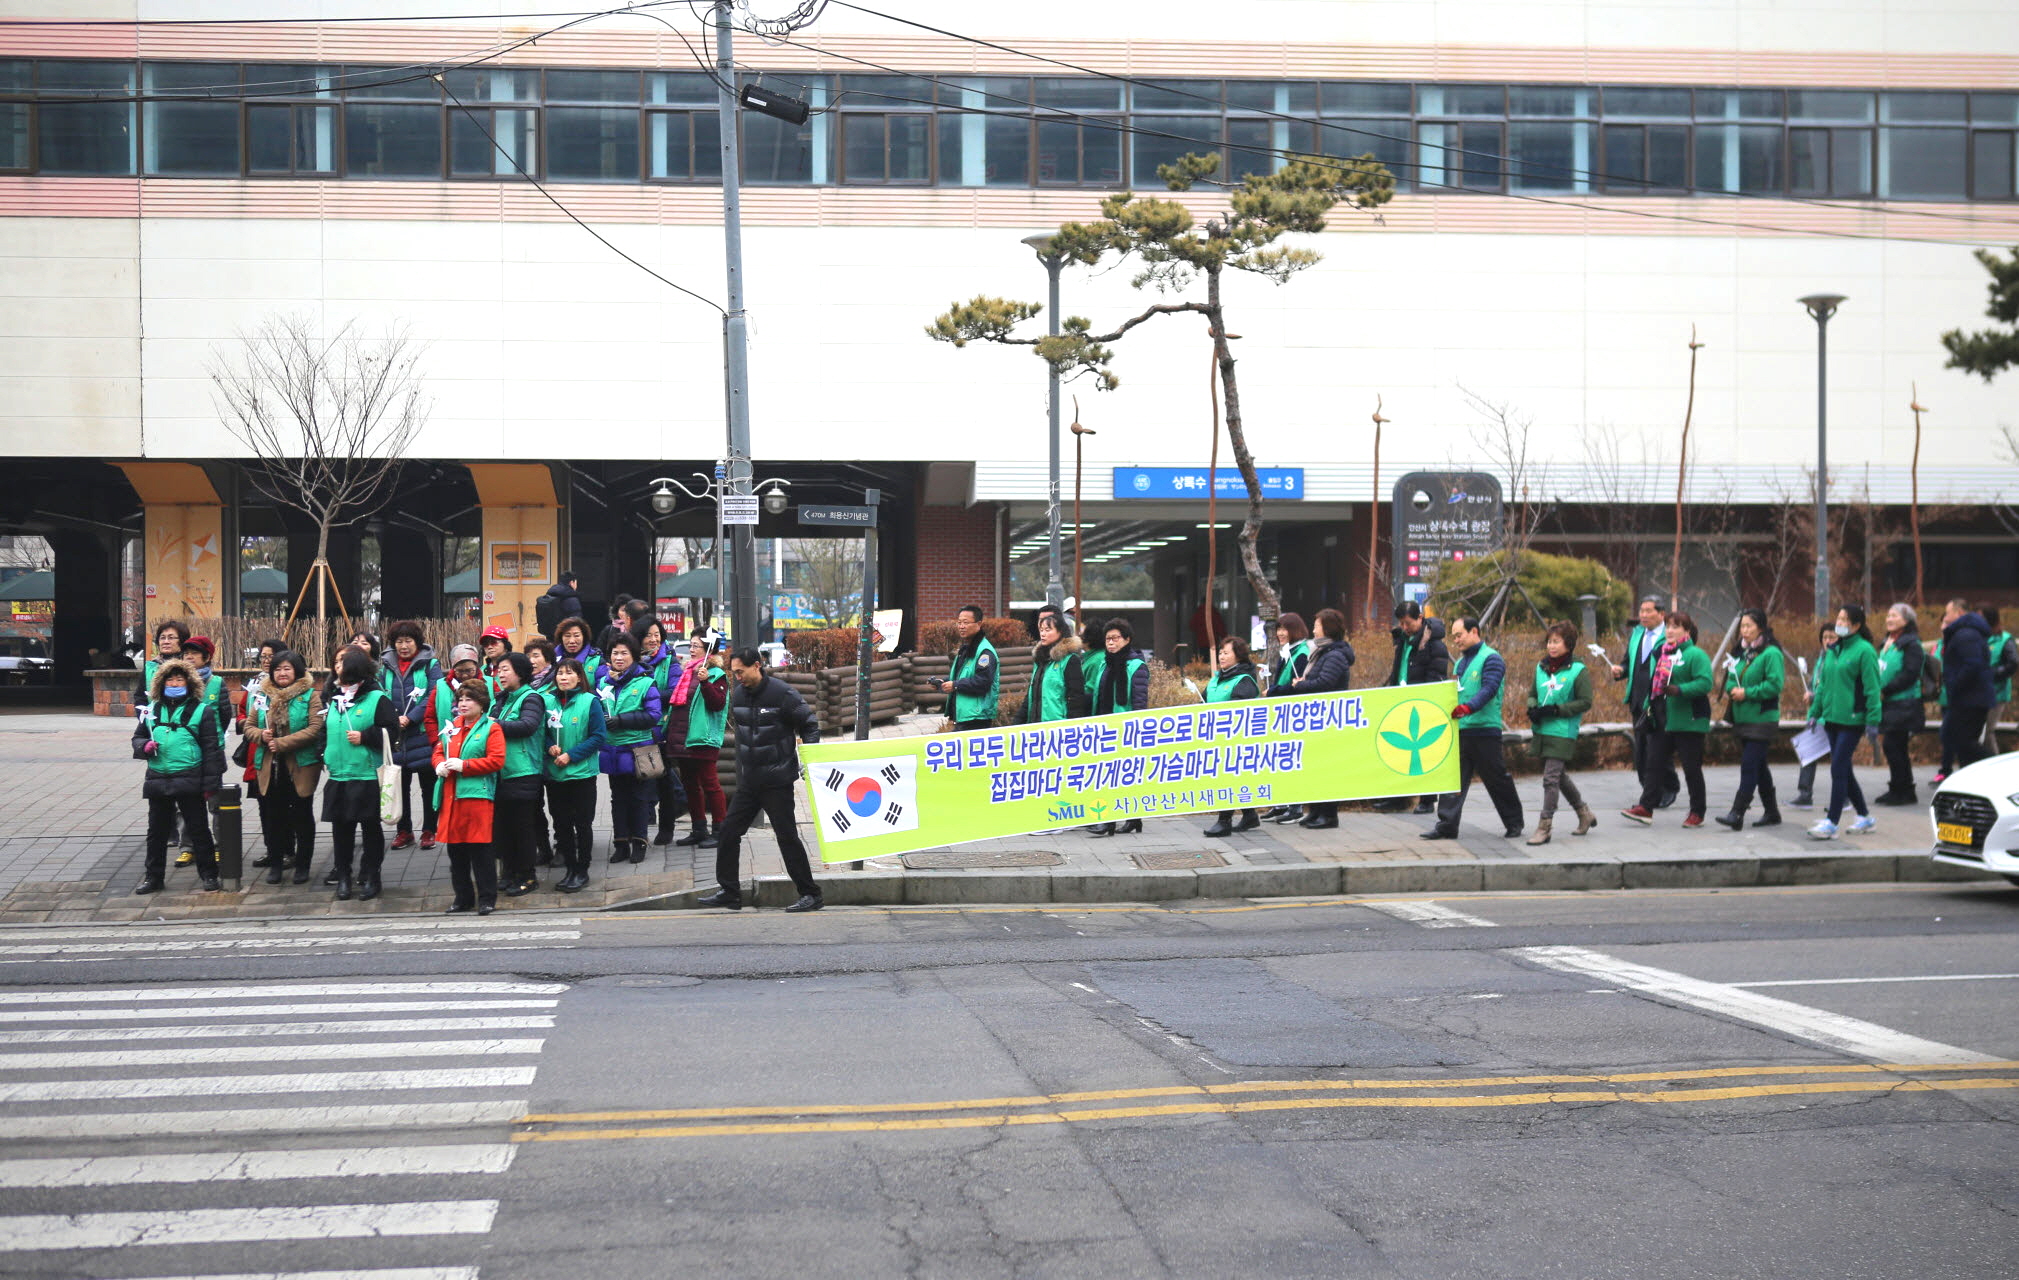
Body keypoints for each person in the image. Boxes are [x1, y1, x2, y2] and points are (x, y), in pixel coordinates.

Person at [699, 649, 823, 913]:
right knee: (729, 832)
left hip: (777, 780)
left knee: (787, 837)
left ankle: (811, 894)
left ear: (757, 666)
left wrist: (809, 757)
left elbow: (810, 724)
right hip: (750, 781)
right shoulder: (740, 693)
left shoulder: (782, 693)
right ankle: (730, 893)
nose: (737, 677)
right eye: (734, 672)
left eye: (741, 672)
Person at [1423, 616, 1524, 841]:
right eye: (1454, 636)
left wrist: (1468, 708)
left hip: (1485, 730)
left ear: (1474, 632)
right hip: (1462, 729)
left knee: (1496, 778)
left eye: (1459, 635)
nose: (1456, 640)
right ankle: (1447, 826)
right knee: (1453, 778)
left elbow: (1488, 690)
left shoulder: (1492, 659)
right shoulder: (1460, 663)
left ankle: (1514, 822)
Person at [130, 658, 224, 894]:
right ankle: (153, 878)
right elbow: (138, 738)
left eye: (179, 679)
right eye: (170, 679)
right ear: (161, 683)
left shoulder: (202, 711)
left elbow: (211, 749)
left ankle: (209, 875)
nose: (174, 683)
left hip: (190, 776)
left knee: (199, 829)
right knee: (156, 833)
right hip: (159, 776)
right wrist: (144, 747)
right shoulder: (152, 710)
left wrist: (210, 784)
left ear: (189, 683)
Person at [1266, 607, 1357, 829]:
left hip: (1328, 719)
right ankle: (1315, 811)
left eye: (1317, 625)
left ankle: (1328, 814)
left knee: (1327, 769)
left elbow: (1325, 684)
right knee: (1315, 768)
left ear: (1327, 629)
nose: (1313, 629)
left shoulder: (1335, 655)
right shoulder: (1322, 652)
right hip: (1316, 720)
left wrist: (1301, 685)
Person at [1620, 610, 1712, 828]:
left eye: (1676, 627)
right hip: (1663, 718)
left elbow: (1705, 683)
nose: (1670, 631)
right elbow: (1655, 687)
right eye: (1668, 626)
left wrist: (1679, 690)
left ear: (1686, 631)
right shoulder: (1663, 654)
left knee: (1691, 768)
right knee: (1654, 763)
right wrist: (1646, 708)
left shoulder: (1695, 655)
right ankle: (1646, 807)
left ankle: (1697, 811)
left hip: (1688, 720)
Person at [320, 647, 399, 901]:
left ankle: (371, 876)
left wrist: (365, 737)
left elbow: (392, 731)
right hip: (338, 775)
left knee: (370, 830)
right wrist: (324, 753)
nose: (337, 666)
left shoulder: (376, 698)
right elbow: (326, 729)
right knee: (341, 831)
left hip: (365, 775)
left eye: (342, 662)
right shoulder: (334, 697)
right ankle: (343, 877)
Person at [246, 650, 323, 885]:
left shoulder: (310, 696)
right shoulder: (262, 696)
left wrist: (281, 743)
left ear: (297, 671)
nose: (282, 673)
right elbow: (248, 726)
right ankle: (276, 864)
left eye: (287, 668)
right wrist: (262, 734)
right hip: (270, 766)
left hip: (300, 765)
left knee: (302, 816)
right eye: (277, 669)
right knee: (273, 818)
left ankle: (303, 865)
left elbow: (314, 728)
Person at [1806, 604, 1882, 840]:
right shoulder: (1832, 650)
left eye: (1844, 620)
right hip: (1832, 719)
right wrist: (1815, 713)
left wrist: (1873, 720)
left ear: (1857, 625)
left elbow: (1872, 689)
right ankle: (1865, 817)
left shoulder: (1864, 651)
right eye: (1838, 618)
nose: (1839, 623)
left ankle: (1832, 822)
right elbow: (1823, 686)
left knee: (1838, 767)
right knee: (1844, 770)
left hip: (1852, 719)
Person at [434, 680, 507, 915]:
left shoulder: (491, 728)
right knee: (456, 852)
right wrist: (438, 765)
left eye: (469, 699)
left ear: (481, 703)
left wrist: (465, 765)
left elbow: (496, 760)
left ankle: (487, 898)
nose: (463, 704)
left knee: (481, 851)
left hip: (477, 797)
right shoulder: (452, 726)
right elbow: (438, 750)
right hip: (452, 797)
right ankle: (462, 897)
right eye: (461, 700)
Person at [1374, 601, 1451, 814]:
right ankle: (1399, 797)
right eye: (1401, 623)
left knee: (1424, 752)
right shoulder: (1403, 640)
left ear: (1420, 618)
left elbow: (1436, 677)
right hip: (1401, 700)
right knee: (1399, 752)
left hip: (1422, 703)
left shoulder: (1434, 645)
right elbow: (1398, 670)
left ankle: (1427, 799)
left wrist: (1421, 696)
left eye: (1408, 623)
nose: (1405, 627)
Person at [1523, 621, 1595, 845]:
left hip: (1563, 730)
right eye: (1549, 641)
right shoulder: (1541, 667)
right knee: (1559, 776)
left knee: (1550, 778)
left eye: (1557, 641)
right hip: (1543, 729)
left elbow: (1585, 701)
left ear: (1569, 644)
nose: (1551, 646)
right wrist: (1533, 706)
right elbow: (1533, 692)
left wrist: (1557, 709)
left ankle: (1545, 826)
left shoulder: (1577, 670)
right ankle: (1584, 812)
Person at [597, 635, 664, 866]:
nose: (619, 657)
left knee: (638, 798)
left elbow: (654, 715)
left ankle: (639, 843)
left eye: (624, 653)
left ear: (634, 656)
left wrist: (622, 720)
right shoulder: (604, 684)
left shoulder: (645, 683)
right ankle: (621, 844)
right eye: (615, 653)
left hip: (637, 750)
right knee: (618, 799)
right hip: (612, 750)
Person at [1716, 609, 1786, 830]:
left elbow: (1775, 685)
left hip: (1762, 718)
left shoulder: (1771, 653)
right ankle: (1772, 811)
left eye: (1749, 626)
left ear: (1761, 627)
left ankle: (1737, 813)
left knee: (1749, 764)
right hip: (1743, 717)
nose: (1744, 631)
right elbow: (1730, 677)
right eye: (1742, 627)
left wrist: (1747, 693)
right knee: (1759, 766)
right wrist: (1732, 689)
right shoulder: (1741, 652)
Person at [544, 658, 608, 892]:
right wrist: (550, 746)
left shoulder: (590, 702)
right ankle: (569, 868)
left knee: (582, 824)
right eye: (560, 673)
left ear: (579, 678)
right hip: (556, 774)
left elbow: (598, 736)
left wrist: (571, 755)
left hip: (581, 773)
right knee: (561, 824)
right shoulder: (547, 701)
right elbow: (543, 733)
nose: (563, 677)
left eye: (569, 673)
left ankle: (582, 870)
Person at [1611, 595, 1680, 809]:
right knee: (1641, 749)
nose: (1643, 615)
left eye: (1648, 611)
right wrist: (1620, 670)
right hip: (1637, 698)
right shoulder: (1637, 634)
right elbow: (1628, 661)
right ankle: (1649, 790)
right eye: (1641, 610)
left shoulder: (1669, 637)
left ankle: (1668, 788)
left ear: (1661, 614)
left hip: (1659, 700)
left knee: (1657, 747)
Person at [489, 651, 548, 896]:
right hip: (501, 773)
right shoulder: (502, 699)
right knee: (504, 828)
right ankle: (511, 872)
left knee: (523, 828)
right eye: (498, 670)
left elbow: (527, 726)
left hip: (524, 772)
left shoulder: (531, 697)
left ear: (520, 672)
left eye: (505, 669)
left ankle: (527, 876)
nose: (500, 674)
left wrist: (492, 725)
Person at [379, 621, 442, 853]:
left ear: (417, 642)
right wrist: (393, 720)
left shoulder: (430, 664)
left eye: (408, 641)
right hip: (396, 736)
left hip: (421, 733)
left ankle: (429, 830)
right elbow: (380, 695)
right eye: (399, 642)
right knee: (399, 784)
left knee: (428, 786)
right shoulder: (385, 665)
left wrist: (411, 718)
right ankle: (403, 831)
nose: (403, 646)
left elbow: (432, 695)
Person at [1086, 617, 1152, 836]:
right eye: (1108, 639)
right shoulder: (1105, 663)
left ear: (1127, 639)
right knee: (1108, 776)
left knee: (1120, 777)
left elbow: (1140, 702)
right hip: (1104, 728)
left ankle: (1109, 822)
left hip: (1126, 730)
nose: (1111, 643)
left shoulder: (1136, 666)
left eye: (1115, 638)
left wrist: (1136, 730)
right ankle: (1131, 819)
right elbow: (1099, 695)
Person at [665, 634, 729, 848]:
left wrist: (705, 683)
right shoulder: (687, 672)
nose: (691, 649)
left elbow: (717, 704)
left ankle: (721, 830)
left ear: (708, 649)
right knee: (690, 785)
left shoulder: (715, 674)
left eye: (696, 646)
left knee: (710, 784)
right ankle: (698, 829)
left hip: (703, 737)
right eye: (691, 645)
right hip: (683, 736)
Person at [631, 618, 689, 846]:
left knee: (663, 781)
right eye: (648, 635)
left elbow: (675, 691)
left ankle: (666, 828)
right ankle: (639, 829)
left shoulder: (669, 661)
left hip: (661, 729)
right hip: (636, 729)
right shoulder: (631, 660)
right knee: (638, 781)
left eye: (657, 634)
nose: (653, 639)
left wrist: (647, 695)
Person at [1201, 636, 1263, 838]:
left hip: (1236, 741)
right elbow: (1204, 698)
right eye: (1220, 652)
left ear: (1239, 656)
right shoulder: (1217, 678)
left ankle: (1224, 820)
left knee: (1228, 778)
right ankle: (1250, 815)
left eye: (1226, 652)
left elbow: (1238, 712)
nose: (1221, 656)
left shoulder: (1244, 680)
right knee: (1233, 778)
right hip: (1216, 737)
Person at [1875, 603, 1927, 806]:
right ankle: (1901, 789)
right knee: (1895, 747)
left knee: (1893, 745)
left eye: (1894, 616)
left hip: (1904, 703)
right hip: (1889, 703)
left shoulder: (1911, 644)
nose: (1889, 619)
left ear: (1906, 621)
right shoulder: (1887, 641)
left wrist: (1886, 689)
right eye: (1888, 615)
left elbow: (1910, 673)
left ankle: (1902, 790)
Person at [1937, 599, 1996, 775]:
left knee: (1960, 740)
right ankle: (1969, 779)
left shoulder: (1966, 635)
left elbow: (1972, 665)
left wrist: (1954, 684)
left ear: (1959, 613)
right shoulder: (1965, 633)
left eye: (1948, 613)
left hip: (1969, 699)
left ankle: (1998, 767)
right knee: (1960, 742)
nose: (1946, 617)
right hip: (1969, 698)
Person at [1790, 623, 1838, 808]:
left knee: (1839, 759)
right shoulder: (1821, 659)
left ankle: (1845, 795)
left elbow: (1834, 689)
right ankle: (1804, 794)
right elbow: (1815, 684)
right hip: (1815, 716)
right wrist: (1810, 692)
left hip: (1831, 716)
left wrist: (1815, 696)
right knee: (1807, 754)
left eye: (1832, 637)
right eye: (1825, 637)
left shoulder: (1837, 660)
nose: (1827, 641)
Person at [935, 605, 1000, 732]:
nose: (961, 626)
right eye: (959, 623)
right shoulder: (967, 649)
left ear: (979, 624)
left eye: (966, 622)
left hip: (976, 718)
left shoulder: (984, 652)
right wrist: (942, 683)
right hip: (965, 717)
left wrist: (955, 685)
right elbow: (962, 677)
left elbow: (983, 682)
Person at [1022, 611, 1089, 724]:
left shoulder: (1070, 660)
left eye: (1048, 630)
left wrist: (1072, 725)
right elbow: (1031, 696)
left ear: (1060, 632)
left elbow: (1076, 698)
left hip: (1058, 728)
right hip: (1035, 726)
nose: (1043, 634)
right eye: (1041, 630)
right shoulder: (1040, 660)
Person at [1985, 606, 2016, 756]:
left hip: (1997, 692)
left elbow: (2013, 663)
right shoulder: (1979, 637)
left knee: (1987, 732)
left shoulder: (2004, 639)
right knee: (1980, 733)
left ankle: (1993, 765)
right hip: (1979, 691)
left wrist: (1992, 674)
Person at [554, 616, 605, 688]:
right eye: (567, 636)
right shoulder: (552, 658)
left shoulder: (597, 661)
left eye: (576, 635)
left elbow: (602, 689)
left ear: (584, 637)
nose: (572, 641)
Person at [537, 571, 584, 638]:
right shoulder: (571, 599)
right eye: (576, 583)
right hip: (565, 637)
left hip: (550, 636)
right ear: (571, 582)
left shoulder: (550, 594)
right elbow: (576, 621)